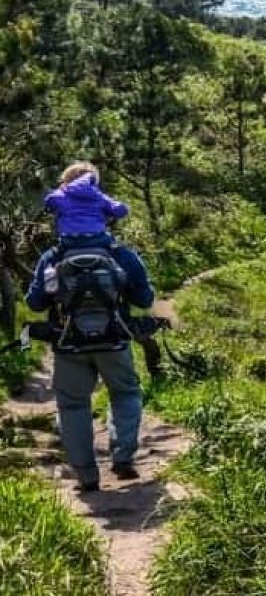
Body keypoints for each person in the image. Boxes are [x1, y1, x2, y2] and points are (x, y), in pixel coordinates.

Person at [25, 166, 155, 493]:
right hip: (114, 342)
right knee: (125, 393)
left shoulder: (52, 258)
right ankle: (122, 456)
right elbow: (145, 297)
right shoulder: (120, 255)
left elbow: (36, 304)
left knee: (72, 405)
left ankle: (86, 476)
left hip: (68, 345)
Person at [44, 162, 129, 248]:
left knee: (45, 259)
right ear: (92, 181)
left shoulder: (59, 195)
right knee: (129, 257)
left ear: (67, 179)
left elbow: (48, 202)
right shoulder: (99, 196)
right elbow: (120, 210)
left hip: (69, 241)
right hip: (99, 240)